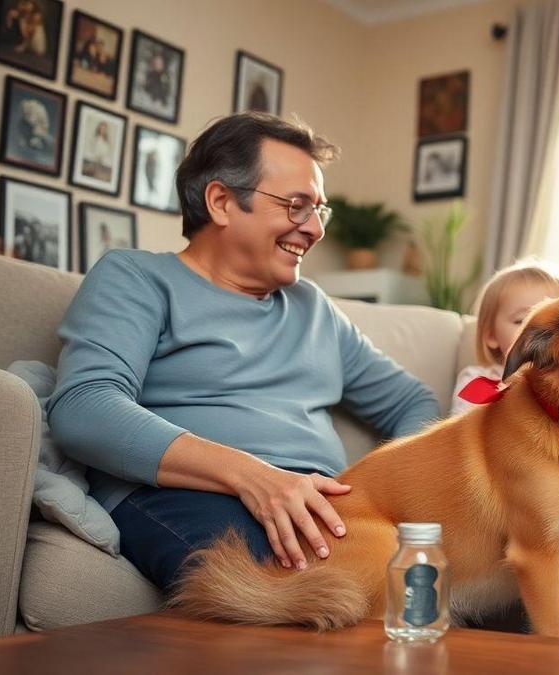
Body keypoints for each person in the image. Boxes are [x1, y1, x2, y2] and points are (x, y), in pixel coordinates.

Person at [47, 112, 439, 592]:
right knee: (300, 598)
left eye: (320, 210)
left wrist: (374, 491)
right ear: (221, 202)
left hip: (315, 503)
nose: (314, 229)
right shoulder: (137, 278)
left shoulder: (314, 309)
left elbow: (412, 403)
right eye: (297, 206)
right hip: (182, 494)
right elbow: (84, 408)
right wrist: (254, 477)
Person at [450, 261, 559, 416]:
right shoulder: (477, 381)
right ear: (491, 334)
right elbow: (461, 434)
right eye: (521, 320)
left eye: (555, 320)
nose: (541, 330)